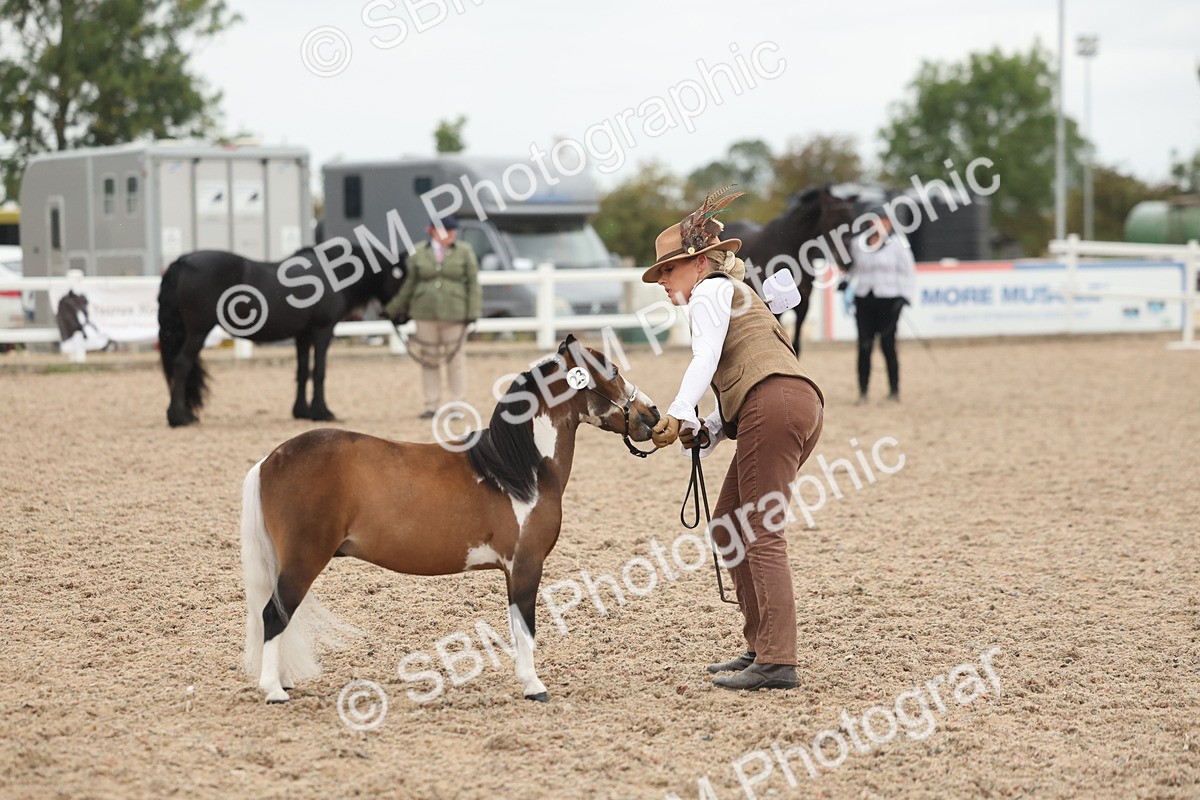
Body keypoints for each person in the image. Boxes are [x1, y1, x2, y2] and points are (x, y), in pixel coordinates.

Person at [646, 188, 825, 691]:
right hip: (790, 404)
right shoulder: (734, 293)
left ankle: (776, 660)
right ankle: (760, 647)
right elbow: (745, 374)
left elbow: (704, 360)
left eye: (668, 270)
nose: (662, 281)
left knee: (761, 531)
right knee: (729, 522)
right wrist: (708, 429)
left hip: (773, 406)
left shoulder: (708, 293)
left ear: (698, 263)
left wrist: (681, 411)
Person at [385, 215, 481, 418]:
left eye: (453, 231)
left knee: (455, 360)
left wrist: (472, 313)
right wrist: (393, 309)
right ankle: (431, 405)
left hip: (455, 313)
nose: (453, 234)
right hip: (425, 313)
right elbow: (409, 285)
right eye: (448, 230)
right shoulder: (419, 252)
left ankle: (457, 405)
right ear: (434, 232)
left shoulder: (464, 252)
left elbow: (473, 284)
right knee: (429, 360)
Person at [843, 208, 916, 403]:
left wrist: (905, 297)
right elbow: (855, 269)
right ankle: (863, 391)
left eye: (885, 222)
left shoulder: (898, 245)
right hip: (864, 298)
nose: (881, 225)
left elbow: (908, 272)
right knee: (864, 345)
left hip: (889, 300)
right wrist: (845, 281)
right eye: (877, 221)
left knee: (888, 345)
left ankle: (894, 390)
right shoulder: (858, 244)